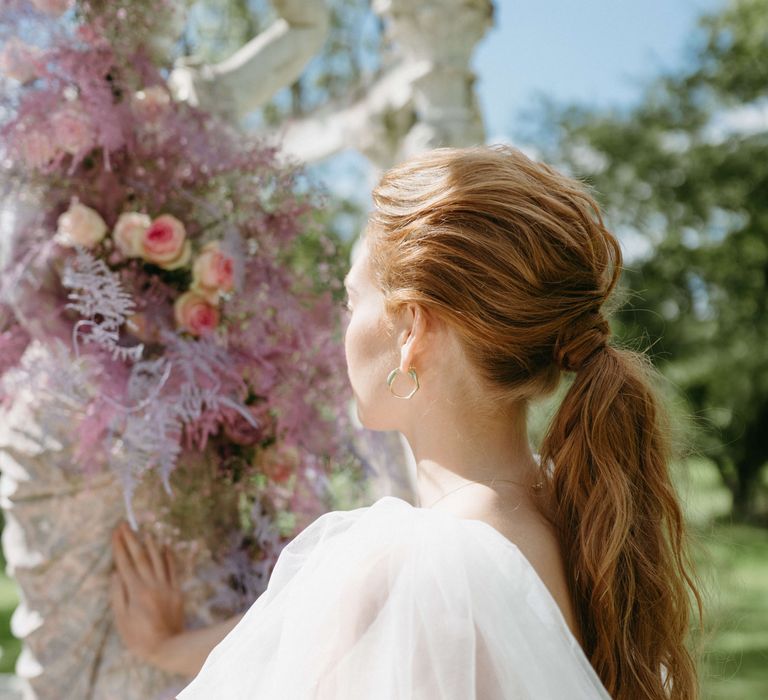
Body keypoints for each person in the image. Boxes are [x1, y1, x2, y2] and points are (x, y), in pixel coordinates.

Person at [111, 145, 702, 699]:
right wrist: (170, 646)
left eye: (350, 301)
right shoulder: (567, 506)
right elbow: (321, 637)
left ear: (412, 330)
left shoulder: (424, 559)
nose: (340, 331)